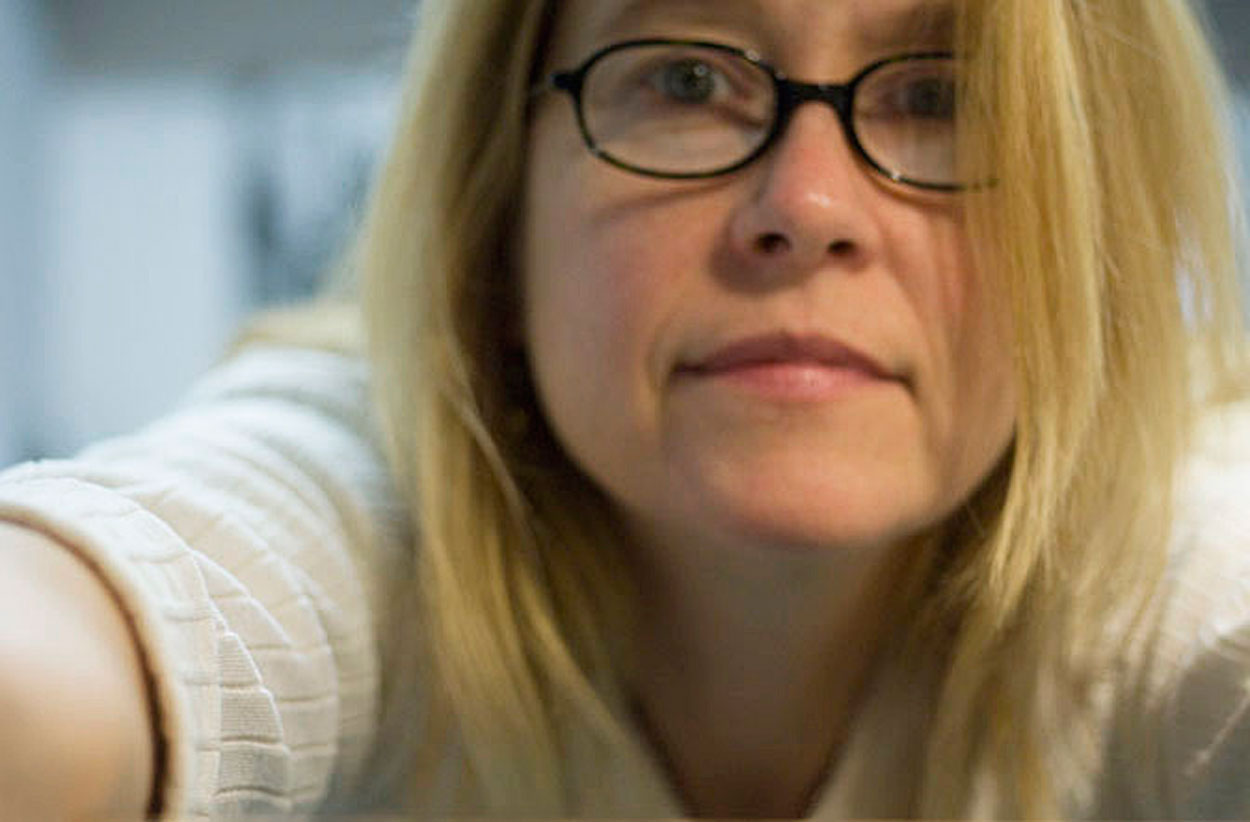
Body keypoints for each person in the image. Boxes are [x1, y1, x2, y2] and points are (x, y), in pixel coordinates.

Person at [1, 0, 1248, 818]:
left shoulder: (1162, 542)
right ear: (496, 223)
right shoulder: (367, 498)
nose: (805, 206)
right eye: (687, 76)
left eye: (939, 99)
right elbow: (91, 627)